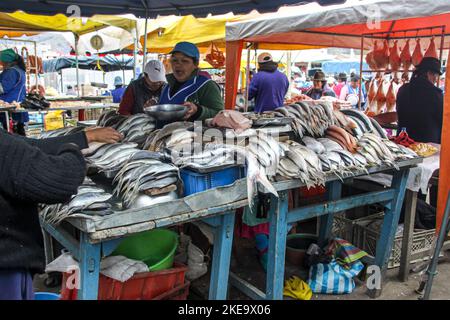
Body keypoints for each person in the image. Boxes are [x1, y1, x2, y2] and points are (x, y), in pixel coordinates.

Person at [0, 126, 122, 300]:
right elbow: (58, 180)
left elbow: (26, 146)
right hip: (5, 272)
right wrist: (72, 151)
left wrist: (84, 138)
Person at [159, 41, 223, 121]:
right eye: (175, 60)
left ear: (195, 64)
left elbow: (220, 114)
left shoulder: (206, 85)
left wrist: (198, 111)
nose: (178, 65)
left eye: (185, 61)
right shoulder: (167, 86)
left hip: (194, 132)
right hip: (161, 132)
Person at [397, 57, 443, 144]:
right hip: (427, 146)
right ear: (429, 73)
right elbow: (442, 120)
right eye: (435, 76)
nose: (435, 79)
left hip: (403, 141)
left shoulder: (403, 89)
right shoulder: (435, 94)